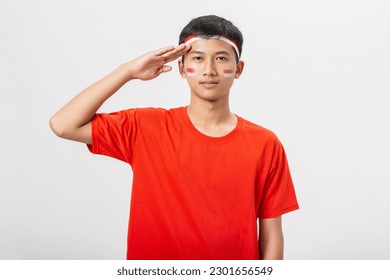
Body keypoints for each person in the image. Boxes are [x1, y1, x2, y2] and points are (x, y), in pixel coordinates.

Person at [49, 15, 299, 260]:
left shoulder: (265, 143)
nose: (209, 70)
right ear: (181, 68)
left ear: (238, 69)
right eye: (198, 59)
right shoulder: (145, 127)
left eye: (221, 58)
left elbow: (271, 235)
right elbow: (63, 124)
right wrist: (127, 71)